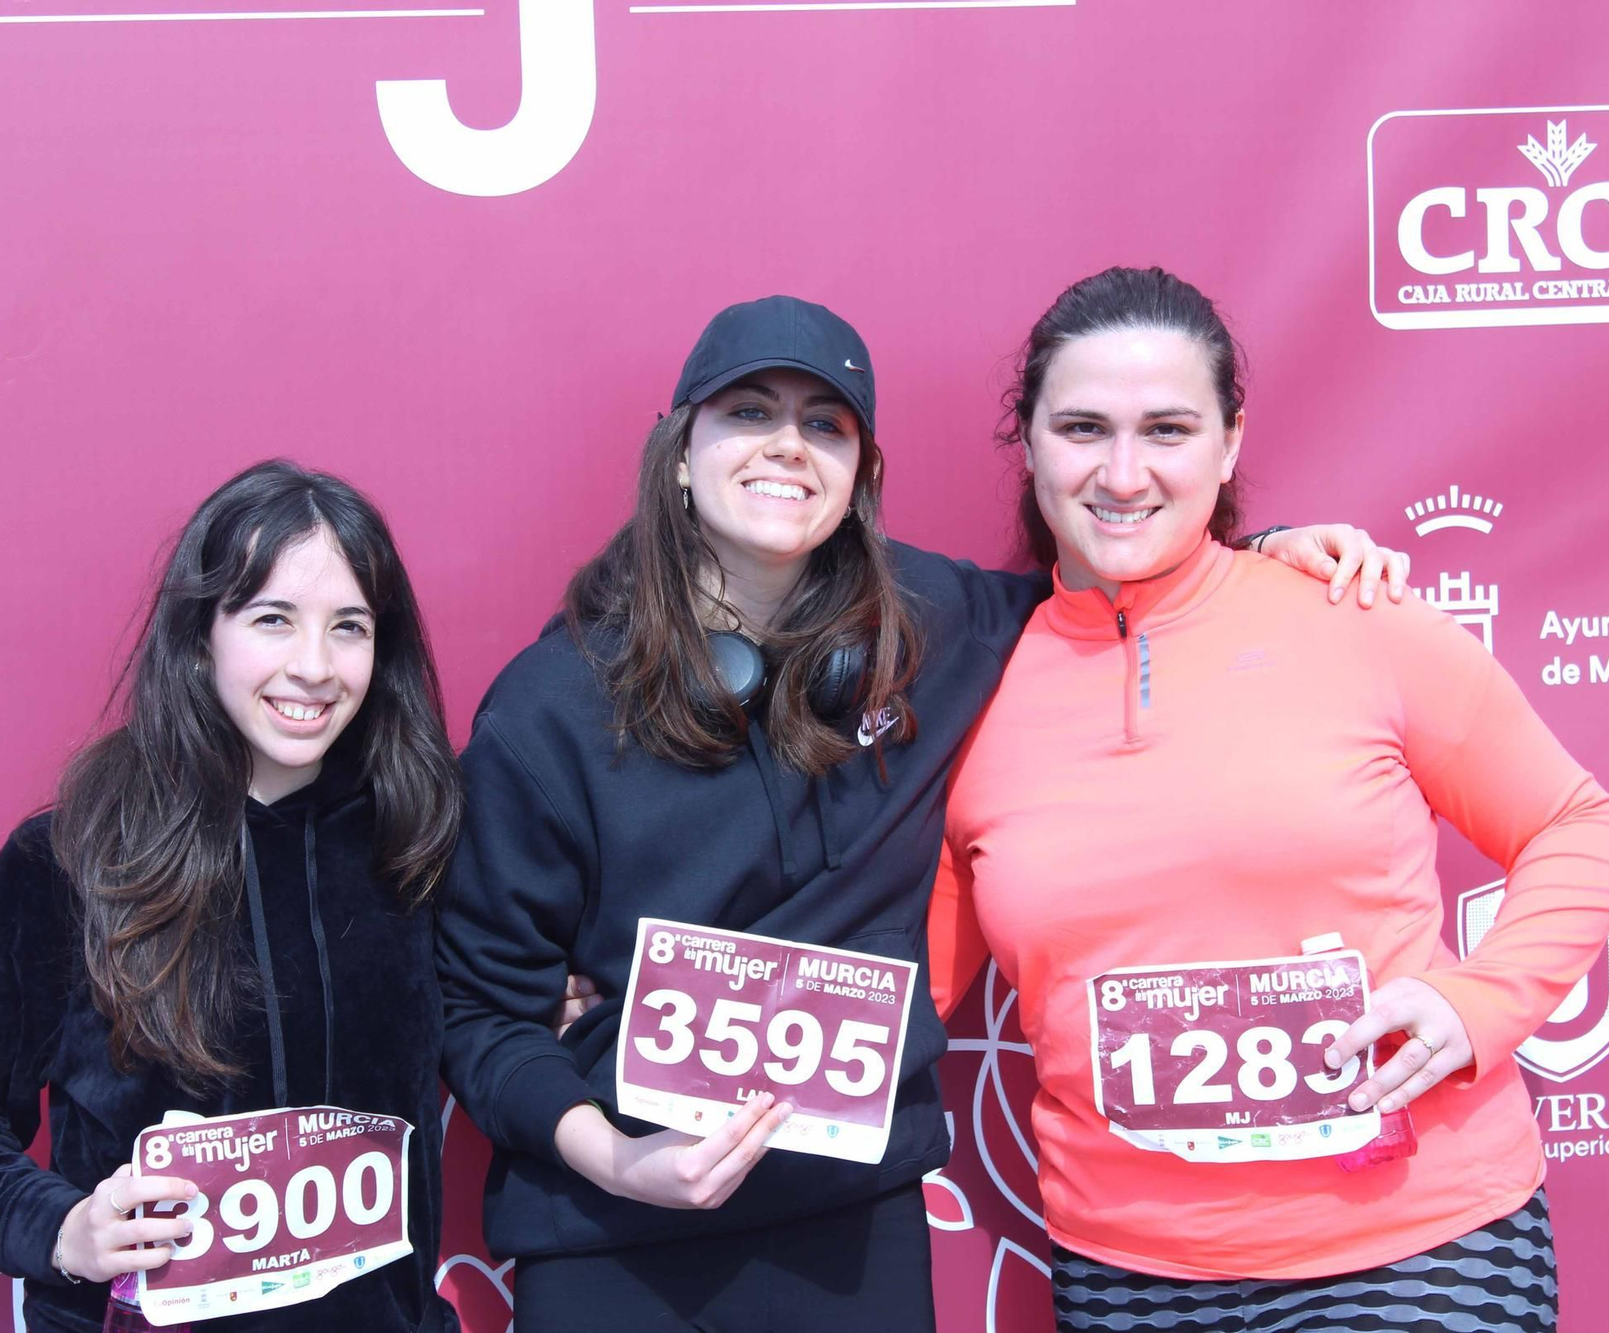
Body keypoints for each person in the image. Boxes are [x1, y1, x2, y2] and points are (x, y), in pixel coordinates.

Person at [436, 295, 1408, 1332]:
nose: (786, 448)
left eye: (824, 424)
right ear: (678, 451)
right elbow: (480, 1013)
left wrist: (1262, 549)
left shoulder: (936, 629)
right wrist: (620, 1158)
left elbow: (1116, 575)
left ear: (861, 474)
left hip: (852, 1229)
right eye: (748, 413)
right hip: (611, 1233)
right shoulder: (552, 704)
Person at [927, 267, 1609, 1332]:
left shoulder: (1354, 617)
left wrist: (1475, 1003)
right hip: (1126, 1269)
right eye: (1082, 427)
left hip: (1418, 1243)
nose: (1122, 472)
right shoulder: (970, 688)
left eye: (1166, 429)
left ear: (1228, 446)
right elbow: (912, 980)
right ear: (1026, 445)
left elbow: (1578, 828)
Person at [0, 461, 470, 1333]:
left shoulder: (420, 845)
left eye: (348, 627)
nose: (313, 667)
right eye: (273, 619)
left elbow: (493, 1018)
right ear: (202, 635)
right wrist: (62, 1228)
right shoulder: (69, 859)